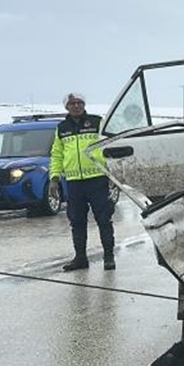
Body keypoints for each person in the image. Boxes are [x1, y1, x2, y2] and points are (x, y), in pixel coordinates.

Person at [49, 92, 114, 271]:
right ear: (67, 107)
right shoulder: (61, 128)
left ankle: (108, 257)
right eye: (72, 103)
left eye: (79, 103)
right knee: (76, 221)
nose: (76, 106)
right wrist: (54, 179)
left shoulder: (96, 122)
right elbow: (56, 154)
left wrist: (113, 172)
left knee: (104, 219)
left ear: (84, 105)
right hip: (74, 182)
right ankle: (80, 258)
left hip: (97, 179)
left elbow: (110, 145)